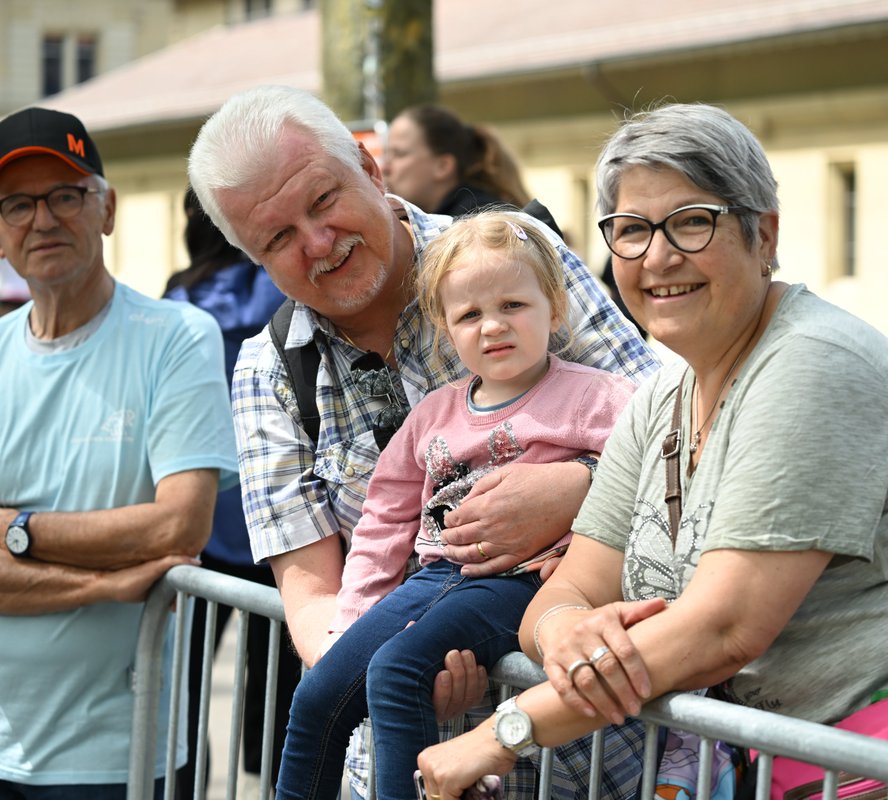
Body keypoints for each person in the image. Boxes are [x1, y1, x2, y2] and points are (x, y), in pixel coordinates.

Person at [415, 103, 888, 798]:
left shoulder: (814, 368)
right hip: (788, 771)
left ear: (765, 237)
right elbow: (567, 592)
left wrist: (503, 734)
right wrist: (570, 633)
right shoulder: (661, 399)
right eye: (631, 230)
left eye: (692, 221)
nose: (657, 257)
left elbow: (723, 628)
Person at [186, 85, 659, 799]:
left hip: (590, 764)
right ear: (252, 257)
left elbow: (670, 437)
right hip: (392, 765)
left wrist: (581, 487)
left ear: (369, 168)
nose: (318, 244)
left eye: (323, 200)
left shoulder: (510, 257)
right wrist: (387, 669)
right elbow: (311, 594)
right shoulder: (268, 371)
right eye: (277, 238)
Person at [275, 210, 636, 799]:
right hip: (434, 575)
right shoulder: (434, 414)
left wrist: (579, 542)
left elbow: (648, 467)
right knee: (317, 696)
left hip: (521, 581)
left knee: (396, 672)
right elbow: (384, 520)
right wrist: (352, 621)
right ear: (446, 329)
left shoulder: (597, 396)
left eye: (513, 305)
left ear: (555, 308)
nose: (493, 326)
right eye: (470, 315)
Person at [0, 107, 238, 796]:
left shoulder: (177, 337)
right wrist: (104, 584)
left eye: (65, 195)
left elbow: (178, 527)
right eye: (17, 204)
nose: (43, 220)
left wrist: (18, 529)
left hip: (123, 752)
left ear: (106, 210)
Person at [164, 187, 297, 799]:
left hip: (200, 522)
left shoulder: (177, 300)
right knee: (278, 694)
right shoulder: (285, 289)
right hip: (281, 522)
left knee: (182, 694)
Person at [383, 105, 530, 217]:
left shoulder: (479, 222)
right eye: (387, 154)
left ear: (443, 166)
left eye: (399, 154)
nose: (385, 168)